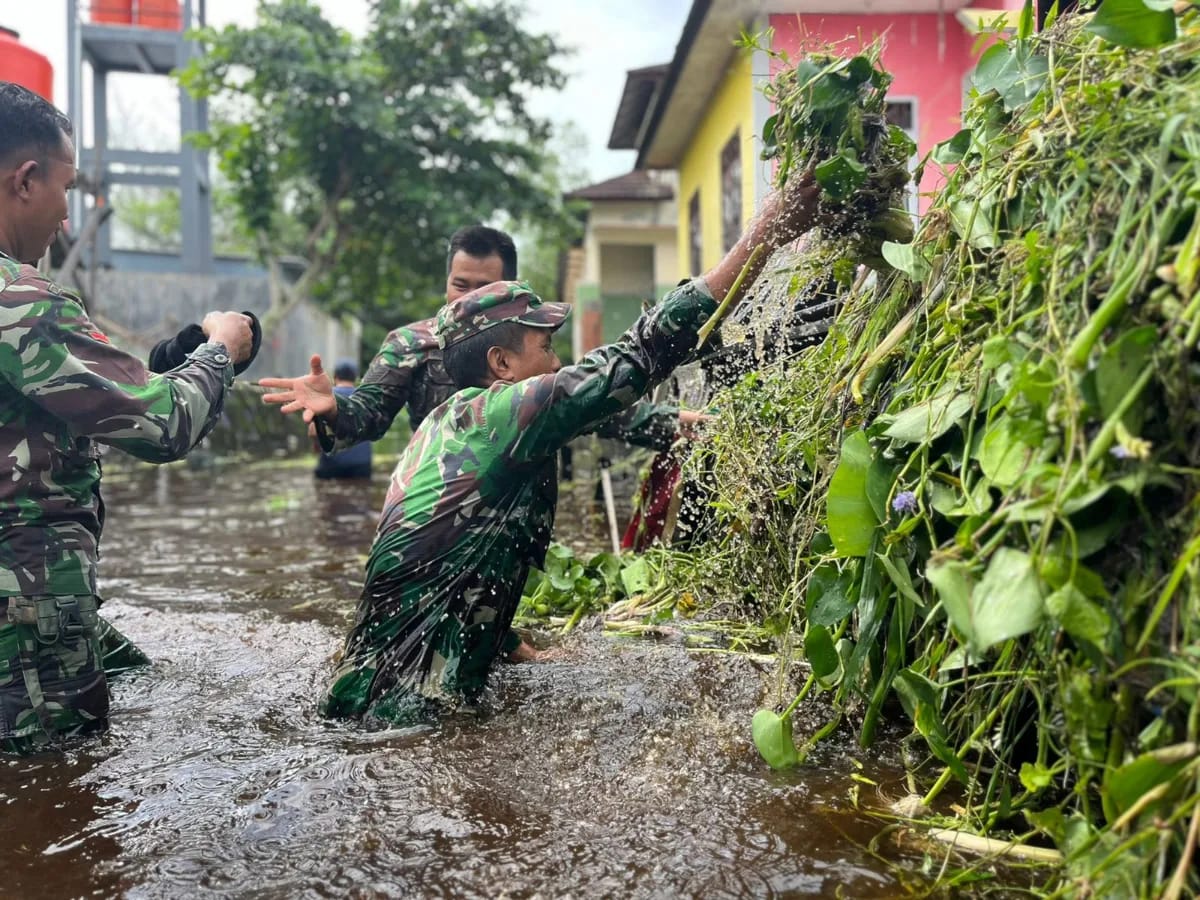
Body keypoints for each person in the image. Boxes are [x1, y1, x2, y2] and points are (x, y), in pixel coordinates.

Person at [318, 176, 821, 727]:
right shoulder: (504, 413)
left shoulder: (448, 421)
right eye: (546, 346)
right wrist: (765, 235)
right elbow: (638, 355)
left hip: (369, 695)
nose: (557, 362)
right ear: (501, 364)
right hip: (401, 716)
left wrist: (509, 645)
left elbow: (451, 566)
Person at [0, 82, 254, 752]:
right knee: (59, 786)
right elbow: (166, 423)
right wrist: (224, 346)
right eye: (66, 189)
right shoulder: (21, 302)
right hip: (24, 610)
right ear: (25, 180)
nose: (65, 217)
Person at [313, 360, 372, 479]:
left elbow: (313, 431)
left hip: (333, 462)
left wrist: (316, 446)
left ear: (335, 377)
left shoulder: (326, 397)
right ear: (355, 377)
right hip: (362, 463)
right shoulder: (366, 397)